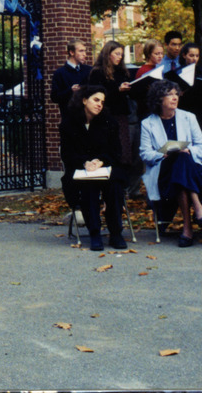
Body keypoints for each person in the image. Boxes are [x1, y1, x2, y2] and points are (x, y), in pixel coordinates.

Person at [139, 80, 202, 248]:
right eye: (169, 94)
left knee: (183, 158)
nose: (175, 97)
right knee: (177, 159)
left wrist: (189, 151)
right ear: (159, 99)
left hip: (189, 172)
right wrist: (163, 154)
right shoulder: (148, 123)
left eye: (176, 93)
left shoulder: (189, 117)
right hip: (163, 175)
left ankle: (187, 229)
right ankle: (198, 208)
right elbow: (145, 153)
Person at [59, 85, 127, 251]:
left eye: (102, 102)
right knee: (89, 186)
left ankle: (115, 233)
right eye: (96, 100)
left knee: (114, 185)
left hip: (105, 168)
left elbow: (116, 152)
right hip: (80, 171)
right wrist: (85, 163)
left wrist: (100, 161)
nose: (99, 105)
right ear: (84, 100)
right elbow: (67, 154)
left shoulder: (109, 122)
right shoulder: (69, 124)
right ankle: (94, 233)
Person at [88, 40, 138, 190]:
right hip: (105, 116)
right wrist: (117, 90)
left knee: (123, 152)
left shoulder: (122, 72)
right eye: (117, 54)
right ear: (108, 54)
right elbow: (97, 95)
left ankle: (122, 187)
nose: (119, 57)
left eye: (121, 55)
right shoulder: (97, 72)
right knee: (109, 150)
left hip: (121, 116)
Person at [50, 40, 93, 114]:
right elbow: (54, 97)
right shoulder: (60, 73)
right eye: (81, 51)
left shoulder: (89, 70)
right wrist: (70, 91)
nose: (85, 54)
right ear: (72, 52)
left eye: (85, 51)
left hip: (87, 116)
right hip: (69, 117)